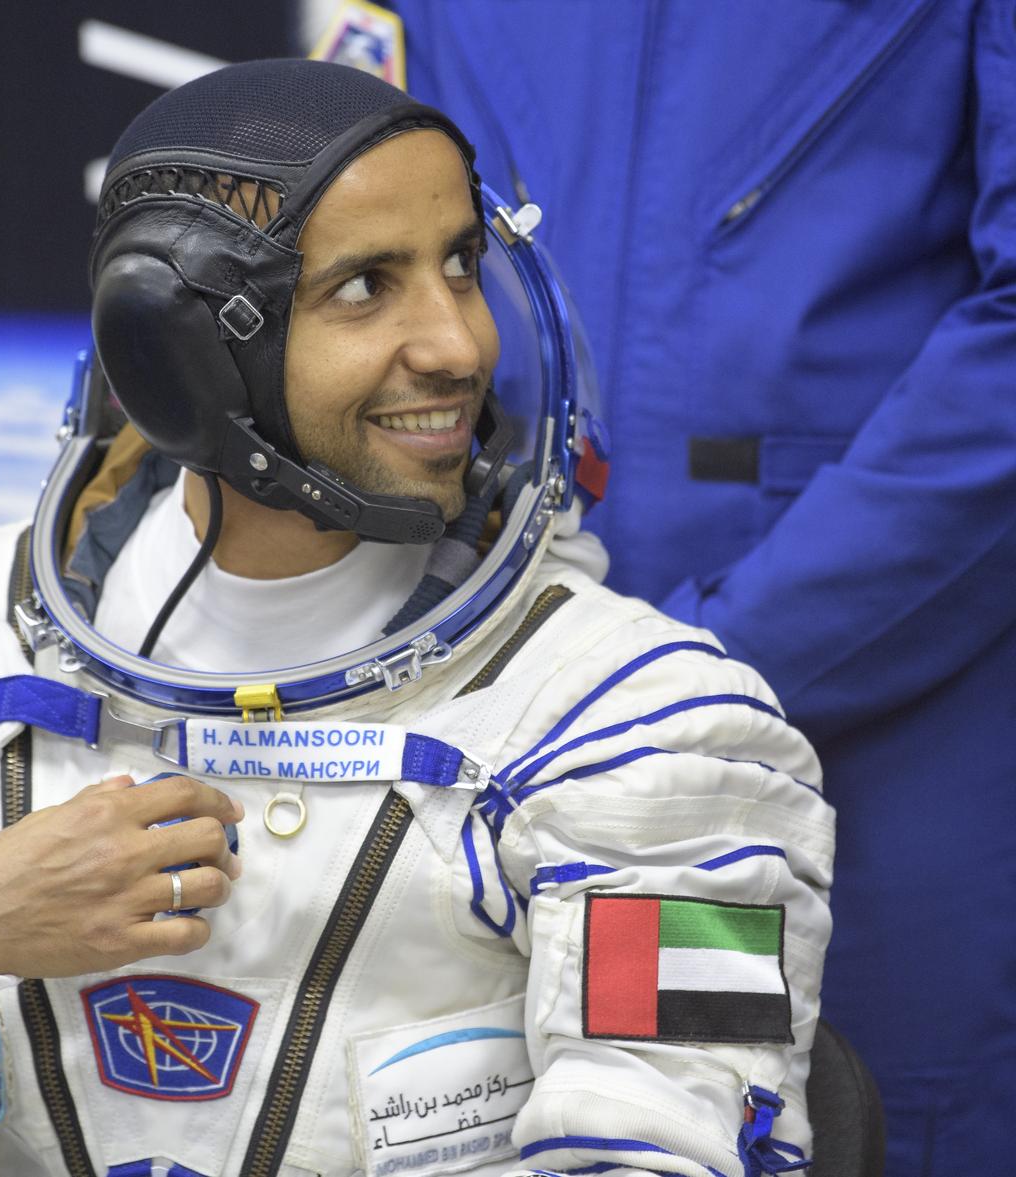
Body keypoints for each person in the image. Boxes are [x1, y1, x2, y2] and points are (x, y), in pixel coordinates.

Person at [0, 60, 835, 1177]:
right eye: (365, 287)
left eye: (459, 265)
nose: (457, 345)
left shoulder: (649, 726)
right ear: (180, 353)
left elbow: (664, 1153)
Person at [382, 2, 1016, 1171]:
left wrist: (699, 671)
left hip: (882, 722)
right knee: (592, 1122)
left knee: (856, 1114)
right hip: (505, 694)